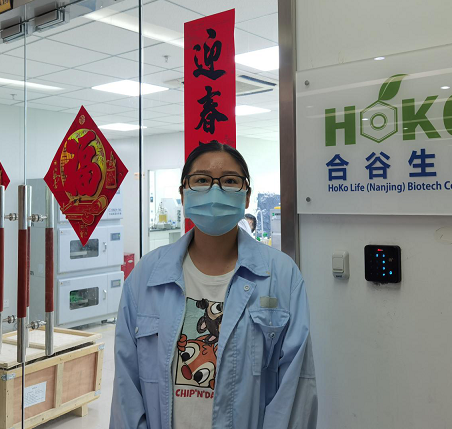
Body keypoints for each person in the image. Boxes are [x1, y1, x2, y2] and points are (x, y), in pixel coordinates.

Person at [110, 141, 317, 429]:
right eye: (201, 180)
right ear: (183, 194)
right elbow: (126, 387)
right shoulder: (147, 275)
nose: (215, 191)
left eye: (230, 181)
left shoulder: (281, 276)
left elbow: (295, 390)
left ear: (246, 196)